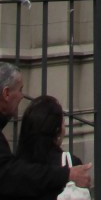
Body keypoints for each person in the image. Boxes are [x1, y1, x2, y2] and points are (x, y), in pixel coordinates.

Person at [0, 63, 92, 198]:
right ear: (6, 93)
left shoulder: (22, 159)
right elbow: (7, 174)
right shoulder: (66, 163)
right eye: (20, 90)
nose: (22, 96)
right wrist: (67, 174)